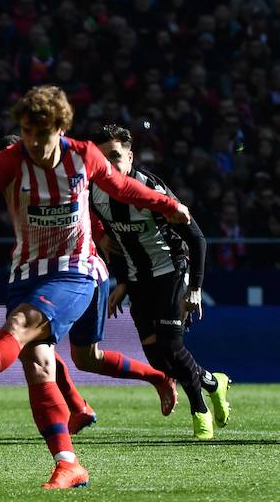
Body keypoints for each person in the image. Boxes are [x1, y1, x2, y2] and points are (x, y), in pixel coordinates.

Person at [0, 86, 191, 489]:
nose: (34, 143)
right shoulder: (14, 158)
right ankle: (69, 462)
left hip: (77, 270)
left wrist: (167, 204)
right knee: (51, 364)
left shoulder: (84, 154)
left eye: (42, 133)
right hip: (27, 274)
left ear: (60, 127)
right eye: (27, 132)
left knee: (20, 328)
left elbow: (123, 188)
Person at [0, 135, 179, 437]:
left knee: (35, 342)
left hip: (78, 275)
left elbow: (92, 213)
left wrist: (104, 241)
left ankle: (80, 409)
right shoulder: (18, 182)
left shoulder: (54, 181)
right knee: (84, 358)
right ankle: (148, 380)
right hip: (44, 272)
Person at [90, 124, 231, 439]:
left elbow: (197, 239)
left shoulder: (151, 190)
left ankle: (200, 413)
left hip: (171, 272)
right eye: (102, 159)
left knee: (172, 344)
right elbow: (111, 237)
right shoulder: (94, 192)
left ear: (130, 156)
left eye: (115, 156)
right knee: (158, 359)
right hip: (138, 280)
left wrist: (194, 289)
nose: (109, 165)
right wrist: (123, 281)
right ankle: (212, 382)